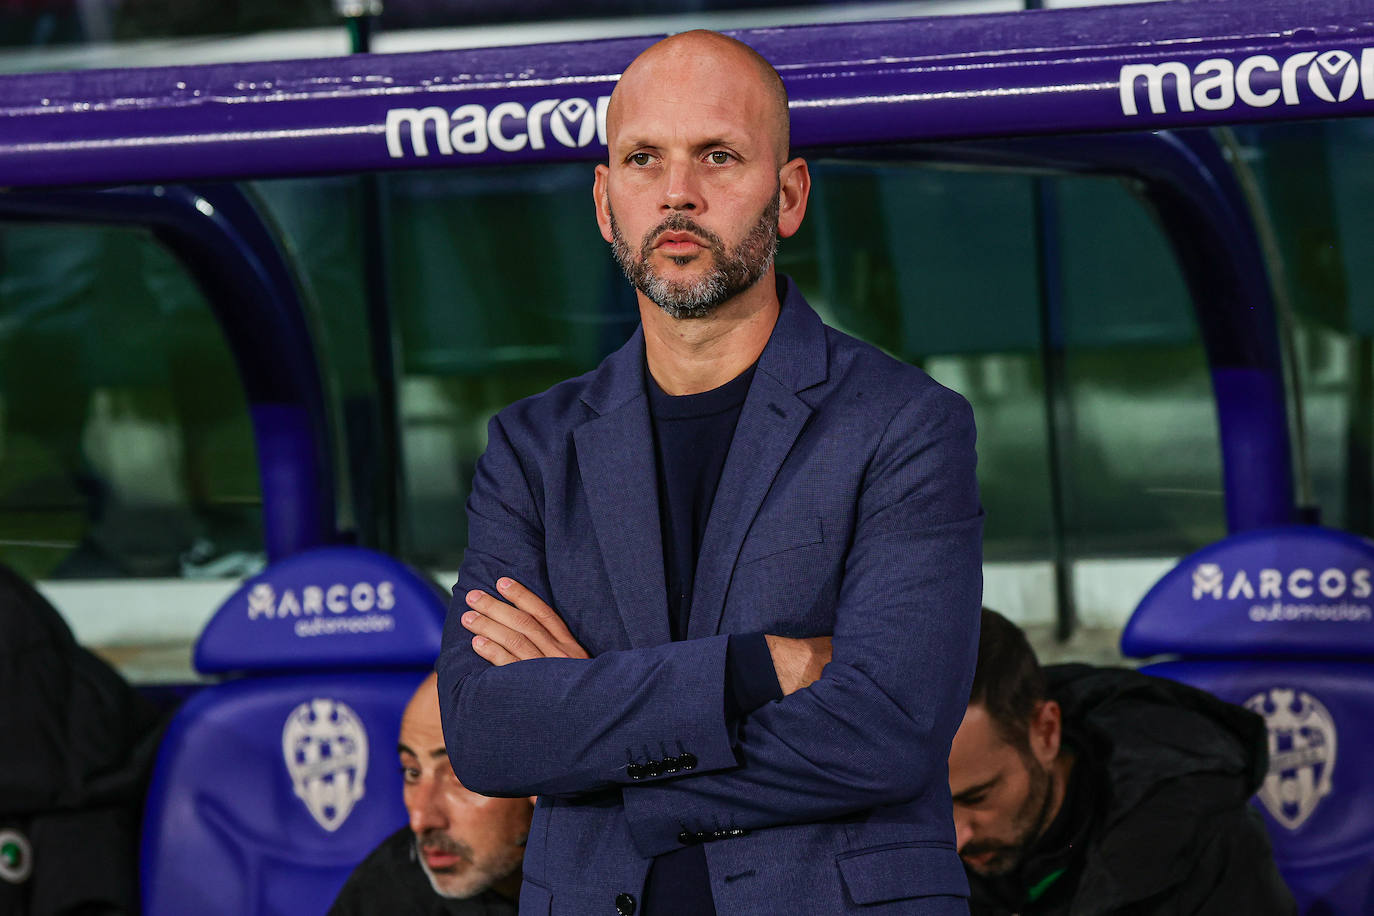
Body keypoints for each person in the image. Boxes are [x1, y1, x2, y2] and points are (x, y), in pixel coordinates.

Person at [435, 28, 983, 916]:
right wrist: (749, 669)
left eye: (719, 156)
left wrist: (608, 765)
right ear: (606, 203)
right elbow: (491, 733)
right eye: (644, 159)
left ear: (790, 194)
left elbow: (887, 728)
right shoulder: (530, 449)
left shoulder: (905, 425)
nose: (678, 193)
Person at [949, 608, 1296, 915]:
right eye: (927, 804)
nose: (957, 838)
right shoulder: (914, 844)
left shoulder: (1204, 837)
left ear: (1046, 732)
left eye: (978, 797)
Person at [329, 673, 532, 915]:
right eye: (412, 772)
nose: (420, 821)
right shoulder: (388, 891)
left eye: (461, 775)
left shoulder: (587, 885)